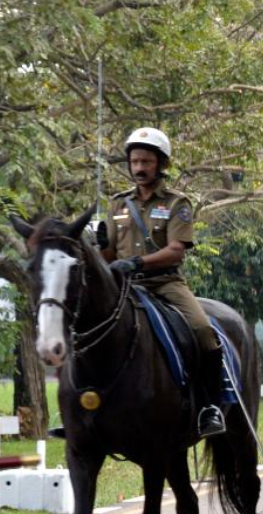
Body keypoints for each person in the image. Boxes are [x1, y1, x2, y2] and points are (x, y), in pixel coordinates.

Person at [99, 127, 225, 437]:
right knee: (84, 328)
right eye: (135, 161)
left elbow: (175, 251)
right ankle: (83, 409)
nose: (140, 168)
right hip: (124, 288)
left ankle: (210, 406)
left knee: (202, 330)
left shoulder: (176, 203)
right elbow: (109, 255)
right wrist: (100, 246)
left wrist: (138, 262)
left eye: (146, 161)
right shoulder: (116, 204)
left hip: (165, 283)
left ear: (161, 164)